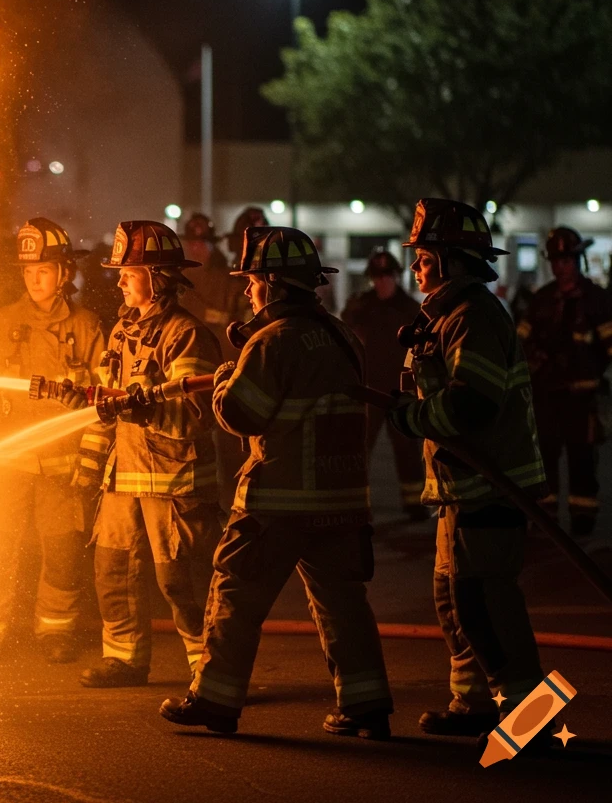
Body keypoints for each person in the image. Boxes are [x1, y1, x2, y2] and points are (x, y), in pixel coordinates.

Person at [160, 226, 393, 738]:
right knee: (342, 604)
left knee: (235, 593)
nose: (246, 290)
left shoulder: (273, 341)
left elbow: (244, 413)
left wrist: (224, 381)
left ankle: (215, 701)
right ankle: (367, 707)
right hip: (343, 501)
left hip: (281, 501)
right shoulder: (342, 336)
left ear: (272, 284)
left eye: (252, 281)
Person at [386, 199, 548, 740]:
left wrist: (410, 418)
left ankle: (531, 722)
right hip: (463, 488)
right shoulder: (450, 314)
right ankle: (474, 704)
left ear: (455, 261)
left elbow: (472, 404)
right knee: (454, 598)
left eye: (425, 257)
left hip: (491, 487)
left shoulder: (474, 317)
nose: (415, 267)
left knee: (488, 603)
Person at [63, 220, 223, 687]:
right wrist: (88, 465)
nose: (119, 280)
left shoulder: (187, 336)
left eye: (128, 273)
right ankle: (125, 660)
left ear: (156, 278)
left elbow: (197, 415)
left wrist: (143, 401)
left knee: (181, 581)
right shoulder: (120, 334)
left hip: (173, 482)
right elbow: (104, 409)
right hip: (123, 478)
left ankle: (209, 670)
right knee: (111, 569)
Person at [0, 218, 105, 663]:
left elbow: (103, 398)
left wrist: (91, 457)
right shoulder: (0, 323)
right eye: (28, 272)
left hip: (63, 463)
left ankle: (56, 630)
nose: (34, 279)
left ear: (65, 273)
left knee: (62, 548)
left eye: (43, 270)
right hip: (7, 461)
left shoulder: (87, 327)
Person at [517, 227, 612, 536]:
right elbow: (520, 342)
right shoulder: (541, 299)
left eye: (567, 260)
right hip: (546, 395)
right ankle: (545, 518)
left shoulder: (597, 300)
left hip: (582, 398)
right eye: (556, 260)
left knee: (583, 460)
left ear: (577, 260)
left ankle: (583, 520)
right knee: (543, 457)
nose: (561, 267)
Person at [342, 248, 427, 521]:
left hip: (400, 390)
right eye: (377, 277)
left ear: (396, 277)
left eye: (387, 276)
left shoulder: (410, 309)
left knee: (407, 448)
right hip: (367, 388)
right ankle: (354, 504)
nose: (382, 282)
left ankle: (414, 505)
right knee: (358, 447)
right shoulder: (360, 306)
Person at [177, 212, 249, 509]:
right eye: (192, 244)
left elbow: (244, 320)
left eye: (202, 244)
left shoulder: (229, 280)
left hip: (228, 369)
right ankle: (205, 501)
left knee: (231, 440)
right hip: (190, 372)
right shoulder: (180, 281)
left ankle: (233, 500)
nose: (197, 249)